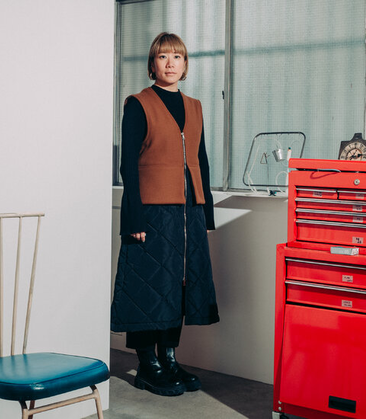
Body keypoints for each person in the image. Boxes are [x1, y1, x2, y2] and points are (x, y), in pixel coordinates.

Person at [110, 32, 219, 397]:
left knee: (179, 286)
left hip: (188, 212)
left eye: (177, 56)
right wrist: (133, 219)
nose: (170, 63)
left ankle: (168, 357)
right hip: (152, 212)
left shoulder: (195, 107)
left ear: (185, 65)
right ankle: (147, 364)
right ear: (152, 64)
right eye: (163, 56)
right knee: (147, 286)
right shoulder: (138, 104)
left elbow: (201, 161)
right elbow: (128, 165)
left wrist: (205, 213)